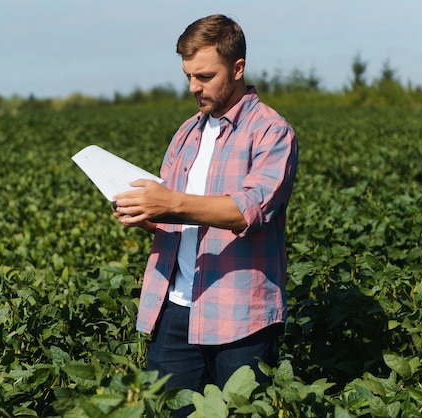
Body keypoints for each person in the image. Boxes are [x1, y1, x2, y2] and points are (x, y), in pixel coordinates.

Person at [112, 13, 298, 413]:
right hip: (175, 310)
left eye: (205, 76)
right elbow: (175, 222)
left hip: (240, 316)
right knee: (166, 410)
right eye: (188, 76)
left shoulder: (271, 132)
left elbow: (250, 209)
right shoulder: (187, 132)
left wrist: (170, 202)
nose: (194, 87)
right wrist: (145, 213)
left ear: (238, 68)